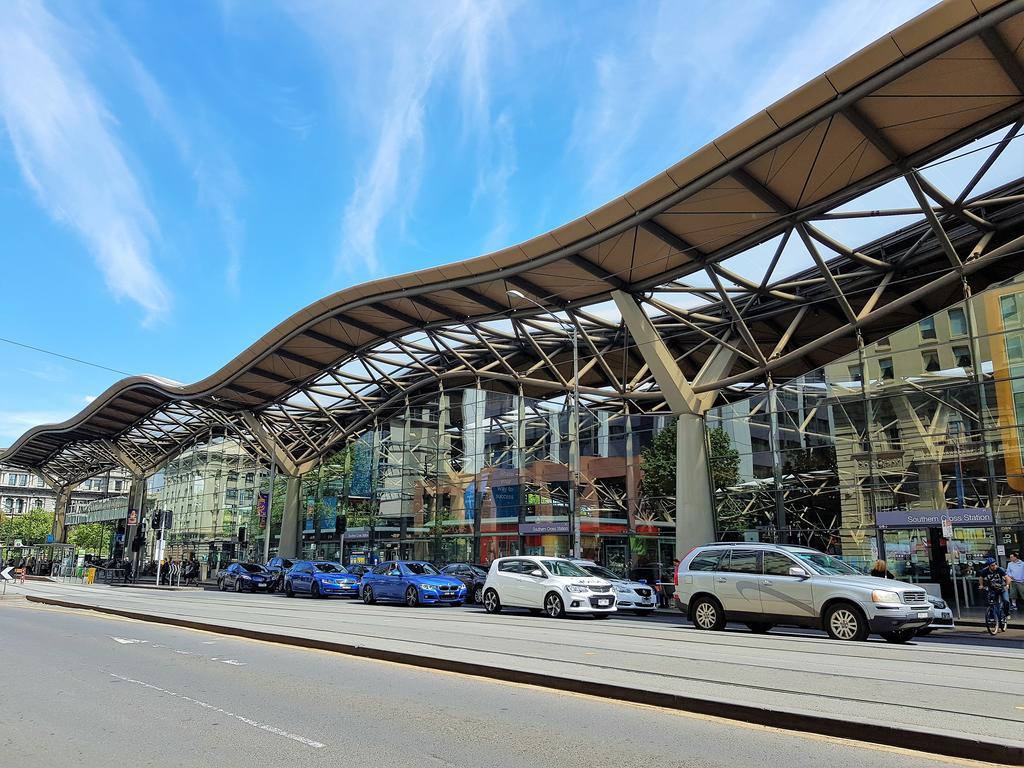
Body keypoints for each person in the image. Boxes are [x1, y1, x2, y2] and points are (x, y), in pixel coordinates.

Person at [978, 557, 1011, 632]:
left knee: (1006, 600)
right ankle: (993, 617)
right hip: (992, 589)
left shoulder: (1000, 569)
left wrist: (1007, 585)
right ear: (988, 566)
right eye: (992, 565)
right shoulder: (985, 571)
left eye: (995, 564)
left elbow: (1008, 578)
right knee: (992, 603)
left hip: (1002, 588)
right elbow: (981, 578)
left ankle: (1006, 613)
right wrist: (981, 585)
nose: (994, 566)